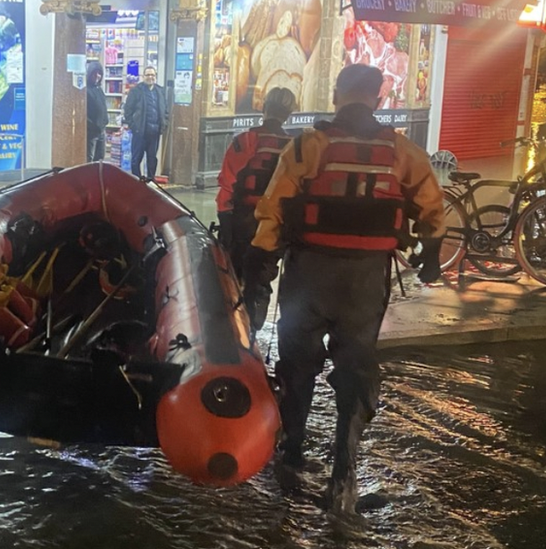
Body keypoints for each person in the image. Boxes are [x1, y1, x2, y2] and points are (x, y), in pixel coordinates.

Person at [242, 64, 445, 514]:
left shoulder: (309, 145)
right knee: (355, 369)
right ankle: (344, 472)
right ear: (378, 96)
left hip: (309, 274)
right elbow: (432, 204)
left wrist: (262, 258)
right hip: (367, 280)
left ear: (336, 94)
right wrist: (431, 252)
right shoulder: (402, 151)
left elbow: (274, 206)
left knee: (297, 364)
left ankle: (291, 451)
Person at [215, 87, 296, 288]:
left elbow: (227, 182)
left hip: (244, 220)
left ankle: (235, 316)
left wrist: (225, 220)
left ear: (264, 108)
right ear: (288, 114)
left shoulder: (247, 140)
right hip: (276, 225)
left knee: (233, 279)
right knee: (261, 279)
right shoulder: (295, 147)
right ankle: (255, 316)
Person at [123, 66, 168, 179]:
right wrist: (134, 126)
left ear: (155, 77)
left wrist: (164, 124)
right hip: (140, 132)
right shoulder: (136, 91)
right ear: (143, 77)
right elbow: (127, 110)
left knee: (152, 159)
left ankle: (151, 181)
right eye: (147, 75)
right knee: (136, 159)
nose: (150, 77)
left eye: (152, 75)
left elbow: (165, 110)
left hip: (155, 132)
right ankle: (136, 182)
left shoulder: (160, 91)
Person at [86, 61, 109, 162]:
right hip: (91, 133)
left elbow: (103, 108)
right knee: (89, 159)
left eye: (99, 73)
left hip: (101, 132)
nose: (97, 76)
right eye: (94, 73)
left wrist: (105, 122)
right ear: (89, 74)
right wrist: (92, 126)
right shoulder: (85, 90)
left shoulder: (99, 89)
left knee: (100, 158)